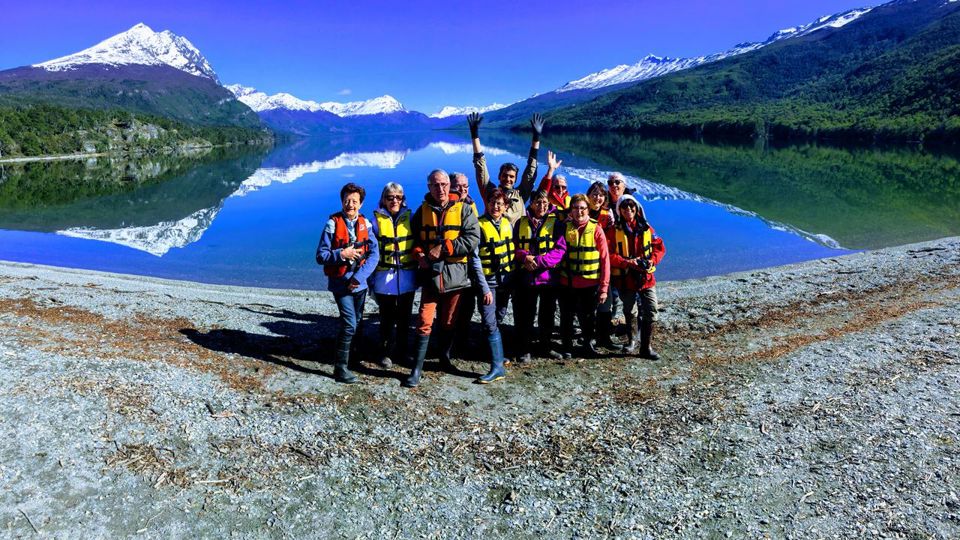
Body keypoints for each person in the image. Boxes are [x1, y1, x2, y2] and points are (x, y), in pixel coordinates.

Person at [405, 169, 480, 388]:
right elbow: (416, 238)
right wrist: (418, 254)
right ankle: (416, 369)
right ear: (429, 187)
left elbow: (473, 239)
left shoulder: (464, 210)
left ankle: (444, 358)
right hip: (430, 276)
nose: (441, 189)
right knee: (425, 320)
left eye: (444, 184)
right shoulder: (422, 211)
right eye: (436, 185)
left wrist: (445, 247)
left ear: (450, 185)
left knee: (448, 321)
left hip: (455, 276)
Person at [315, 182, 380, 384]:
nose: (350, 204)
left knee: (358, 321)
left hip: (359, 283)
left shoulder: (366, 224)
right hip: (340, 284)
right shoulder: (332, 225)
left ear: (360, 204)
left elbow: (374, 255)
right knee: (350, 323)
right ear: (341, 201)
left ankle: (354, 356)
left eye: (354, 201)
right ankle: (340, 368)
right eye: (347, 200)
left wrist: (359, 278)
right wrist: (342, 254)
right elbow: (321, 256)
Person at [609, 194, 665, 359]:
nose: (628, 210)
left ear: (637, 208)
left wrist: (651, 261)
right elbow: (609, 254)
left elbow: (659, 247)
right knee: (630, 310)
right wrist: (627, 262)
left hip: (646, 278)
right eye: (624, 207)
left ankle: (646, 347)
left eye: (631, 207)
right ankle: (631, 341)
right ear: (619, 210)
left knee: (651, 310)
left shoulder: (647, 228)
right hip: (626, 278)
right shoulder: (614, 231)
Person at [513, 188, 567, 362]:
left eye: (544, 202)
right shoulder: (520, 223)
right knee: (526, 314)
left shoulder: (557, 224)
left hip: (548, 278)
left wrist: (537, 261)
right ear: (532, 203)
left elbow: (560, 250)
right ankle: (524, 348)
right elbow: (513, 246)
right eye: (538, 202)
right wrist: (523, 257)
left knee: (547, 314)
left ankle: (545, 346)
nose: (541, 205)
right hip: (526, 278)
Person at [470, 189, 516, 383]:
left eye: (499, 203)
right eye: (492, 203)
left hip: (506, 280)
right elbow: (475, 260)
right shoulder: (479, 226)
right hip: (488, 282)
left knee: (499, 316)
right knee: (489, 320)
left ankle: (494, 354)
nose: (495, 207)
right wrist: (484, 288)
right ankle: (497, 367)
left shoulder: (507, 224)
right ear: (486, 204)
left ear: (505, 206)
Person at [369, 182, 417, 369]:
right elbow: (369, 250)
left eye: (398, 197)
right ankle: (386, 352)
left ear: (403, 199)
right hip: (384, 279)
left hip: (407, 277)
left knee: (405, 318)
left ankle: (403, 351)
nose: (394, 200)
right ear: (383, 200)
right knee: (387, 318)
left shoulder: (411, 218)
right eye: (390, 197)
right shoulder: (374, 222)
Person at [558, 194, 610, 359]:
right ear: (570, 210)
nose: (578, 211)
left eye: (582, 208)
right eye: (575, 208)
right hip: (568, 282)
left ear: (588, 209)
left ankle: (587, 343)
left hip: (590, 284)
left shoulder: (596, 229)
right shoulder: (564, 227)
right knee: (566, 316)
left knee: (588, 317)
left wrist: (604, 288)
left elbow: (605, 260)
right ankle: (567, 345)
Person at [468, 112, 542, 225]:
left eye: (511, 176)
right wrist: (474, 135)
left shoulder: (521, 194)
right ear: (499, 176)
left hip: (517, 241)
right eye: (505, 175)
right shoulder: (490, 192)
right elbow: (480, 168)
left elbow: (530, 172)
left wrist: (536, 138)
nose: (508, 179)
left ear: (516, 179)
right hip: (496, 240)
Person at [448, 172, 481, 361]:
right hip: (452, 266)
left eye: (466, 186)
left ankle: (463, 342)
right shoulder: (445, 206)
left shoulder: (470, 204)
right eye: (458, 186)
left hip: (469, 266)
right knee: (450, 307)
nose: (463, 189)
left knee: (468, 305)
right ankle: (449, 344)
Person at [586, 180, 617, 349]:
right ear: (588, 195)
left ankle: (604, 338)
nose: (597, 198)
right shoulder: (581, 211)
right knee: (588, 303)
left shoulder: (608, 215)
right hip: (585, 264)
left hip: (603, 262)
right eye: (594, 194)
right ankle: (588, 338)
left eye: (601, 195)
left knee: (606, 301)